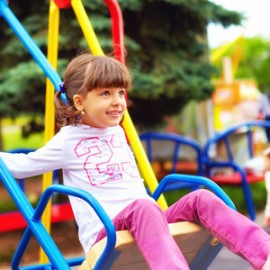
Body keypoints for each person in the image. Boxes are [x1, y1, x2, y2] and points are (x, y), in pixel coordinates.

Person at [1, 53, 270, 270]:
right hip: (106, 232)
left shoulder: (118, 131)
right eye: (105, 93)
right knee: (143, 206)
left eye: (120, 93)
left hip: (147, 218)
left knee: (202, 197)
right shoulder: (68, 140)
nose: (118, 101)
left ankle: (264, 255)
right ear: (80, 102)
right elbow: (23, 165)